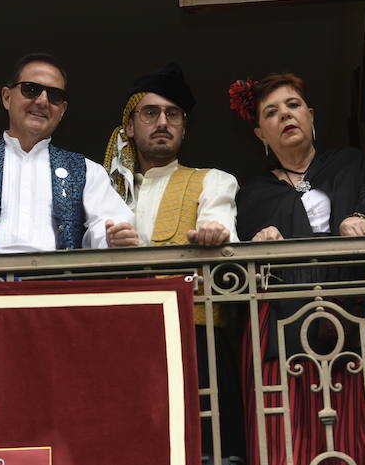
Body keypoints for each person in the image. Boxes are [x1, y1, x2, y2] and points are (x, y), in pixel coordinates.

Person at [229, 73, 365, 465]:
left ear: (310, 113)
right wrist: (260, 241)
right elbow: (242, 258)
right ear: (260, 134)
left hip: (352, 311)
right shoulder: (252, 193)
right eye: (271, 112)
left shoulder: (349, 163)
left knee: (364, 425)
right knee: (289, 433)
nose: (285, 115)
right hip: (285, 323)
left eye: (292, 105)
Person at [104, 62, 244, 463]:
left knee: (208, 450)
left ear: (184, 127)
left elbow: (222, 226)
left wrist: (216, 234)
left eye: (173, 114)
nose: (162, 122)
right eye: (150, 113)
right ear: (129, 126)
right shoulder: (106, 189)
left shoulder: (213, 179)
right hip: (124, 341)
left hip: (195, 339)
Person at [0, 52, 137, 256]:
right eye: (31, 89)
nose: (43, 101)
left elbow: (108, 225)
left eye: (54, 96)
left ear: (62, 110)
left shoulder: (87, 171)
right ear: (7, 97)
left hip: (58, 288)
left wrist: (112, 239)